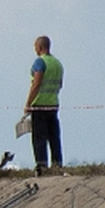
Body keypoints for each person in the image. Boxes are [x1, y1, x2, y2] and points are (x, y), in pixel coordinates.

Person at [24, 35, 63, 176]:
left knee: (39, 137)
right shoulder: (57, 64)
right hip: (53, 104)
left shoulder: (40, 62)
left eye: (35, 47)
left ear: (40, 47)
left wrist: (28, 103)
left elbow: (36, 83)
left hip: (39, 105)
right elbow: (60, 84)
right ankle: (57, 164)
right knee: (54, 136)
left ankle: (41, 165)